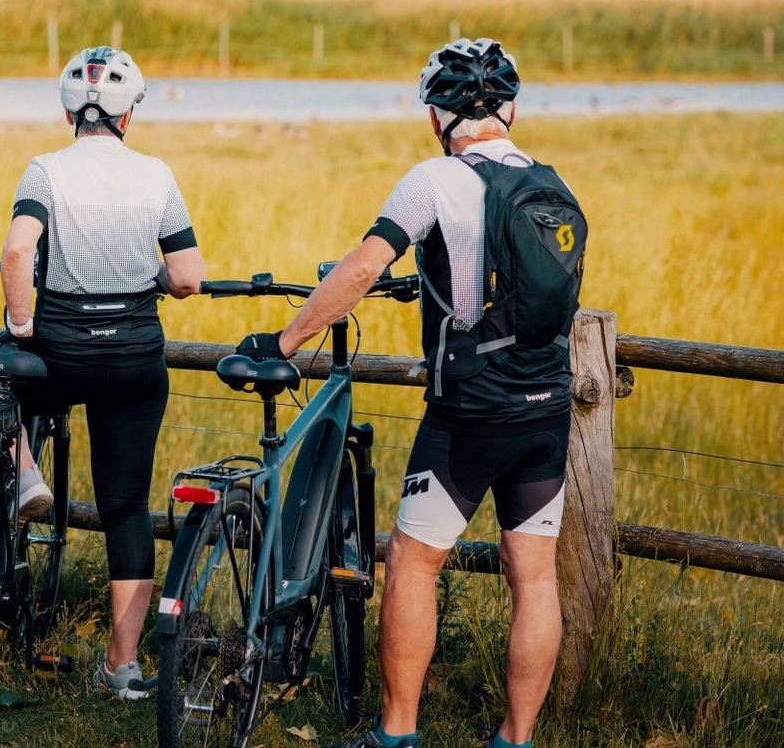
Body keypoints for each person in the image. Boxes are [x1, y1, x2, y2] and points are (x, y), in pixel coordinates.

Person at [236, 39, 583, 748]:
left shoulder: (433, 181)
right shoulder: (554, 186)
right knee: (535, 579)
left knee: (414, 563)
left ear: (436, 116)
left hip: (470, 411)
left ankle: (395, 734)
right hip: (546, 405)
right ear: (511, 110)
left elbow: (366, 265)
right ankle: (514, 739)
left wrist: (287, 341)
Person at [0, 45, 206, 700]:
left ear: (68, 112)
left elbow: (16, 249)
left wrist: (23, 321)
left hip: (58, 352)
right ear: (129, 116)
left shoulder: (44, 170)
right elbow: (187, 276)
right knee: (125, 507)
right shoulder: (157, 175)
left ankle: (26, 470)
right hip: (135, 358)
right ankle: (123, 667)